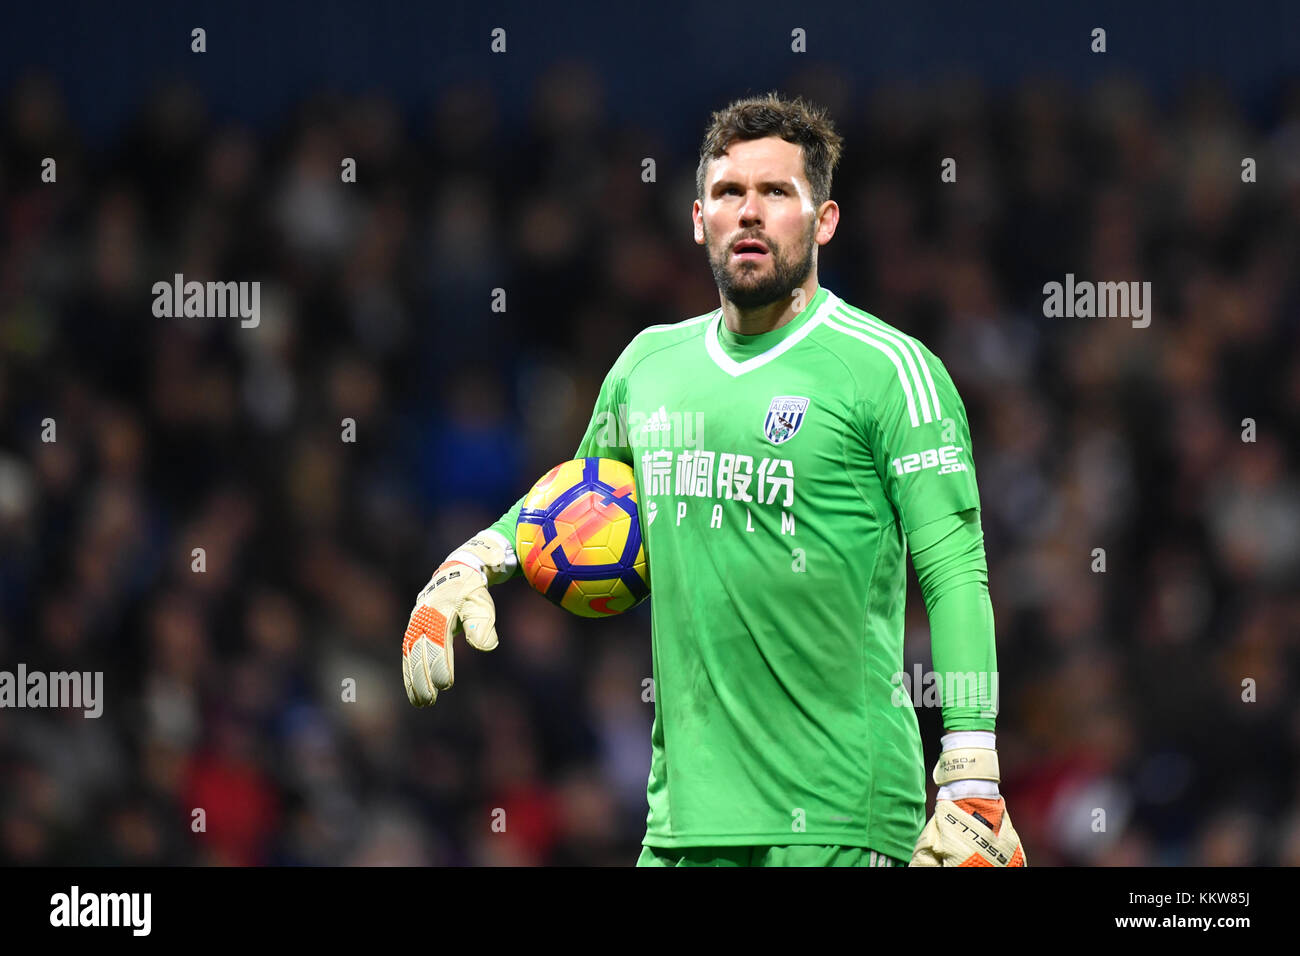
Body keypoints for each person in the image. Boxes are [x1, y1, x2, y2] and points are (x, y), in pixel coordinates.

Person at [402, 92, 1025, 868]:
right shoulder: (648, 367)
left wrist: (971, 771)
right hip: (681, 825)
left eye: (777, 193)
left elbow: (955, 569)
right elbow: (574, 499)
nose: (750, 213)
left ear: (824, 220)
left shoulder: (890, 371)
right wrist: (475, 559)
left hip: (838, 817)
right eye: (730, 193)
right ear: (699, 220)